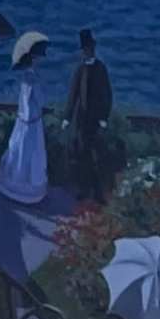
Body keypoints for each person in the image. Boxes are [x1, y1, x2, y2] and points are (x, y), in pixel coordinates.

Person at [0, 27, 51, 206]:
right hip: (31, 124)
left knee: (20, 154)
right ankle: (25, 191)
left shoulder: (26, 78)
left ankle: (15, 187)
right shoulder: (32, 78)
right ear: (33, 59)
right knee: (28, 155)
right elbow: (37, 102)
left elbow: (25, 104)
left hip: (24, 122)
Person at [61, 27, 118, 197]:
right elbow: (73, 95)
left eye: (89, 49)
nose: (87, 52)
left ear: (93, 49)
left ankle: (98, 190)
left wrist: (104, 117)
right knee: (82, 154)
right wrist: (67, 117)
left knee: (97, 154)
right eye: (85, 50)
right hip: (81, 119)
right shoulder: (80, 70)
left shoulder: (101, 68)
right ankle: (84, 189)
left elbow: (107, 95)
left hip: (96, 120)